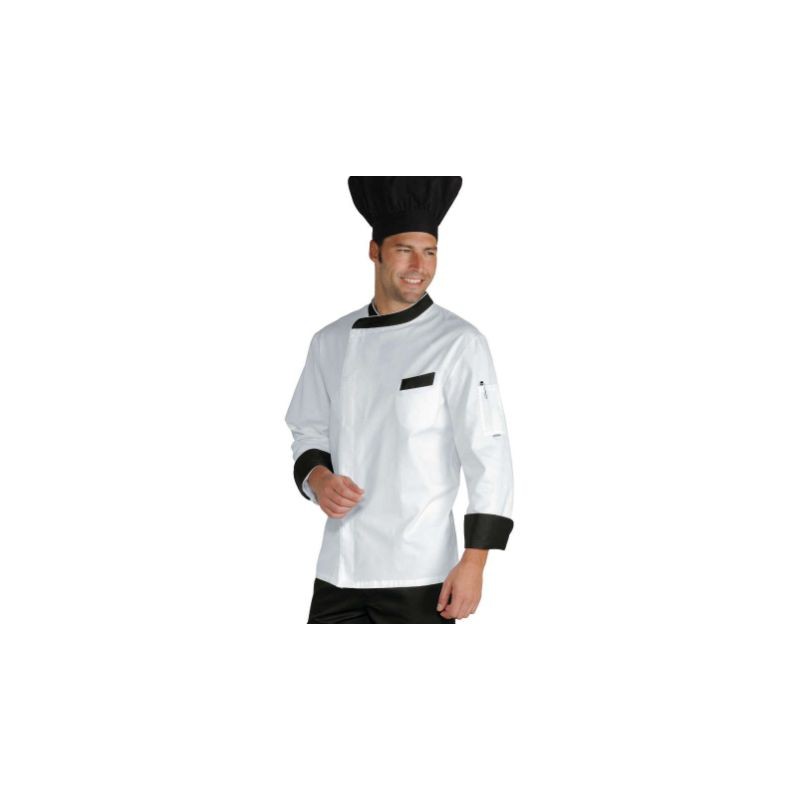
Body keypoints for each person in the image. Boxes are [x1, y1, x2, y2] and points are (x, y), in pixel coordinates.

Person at [285, 176, 515, 623]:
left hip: (420, 573)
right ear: (375, 251)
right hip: (338, 571)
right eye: (404, 250)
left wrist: (474, 562)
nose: (418, 266)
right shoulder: (330, 341)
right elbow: (307, 429)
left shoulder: (459, 343)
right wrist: (318, 477)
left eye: (429, 252)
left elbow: (489, 454)